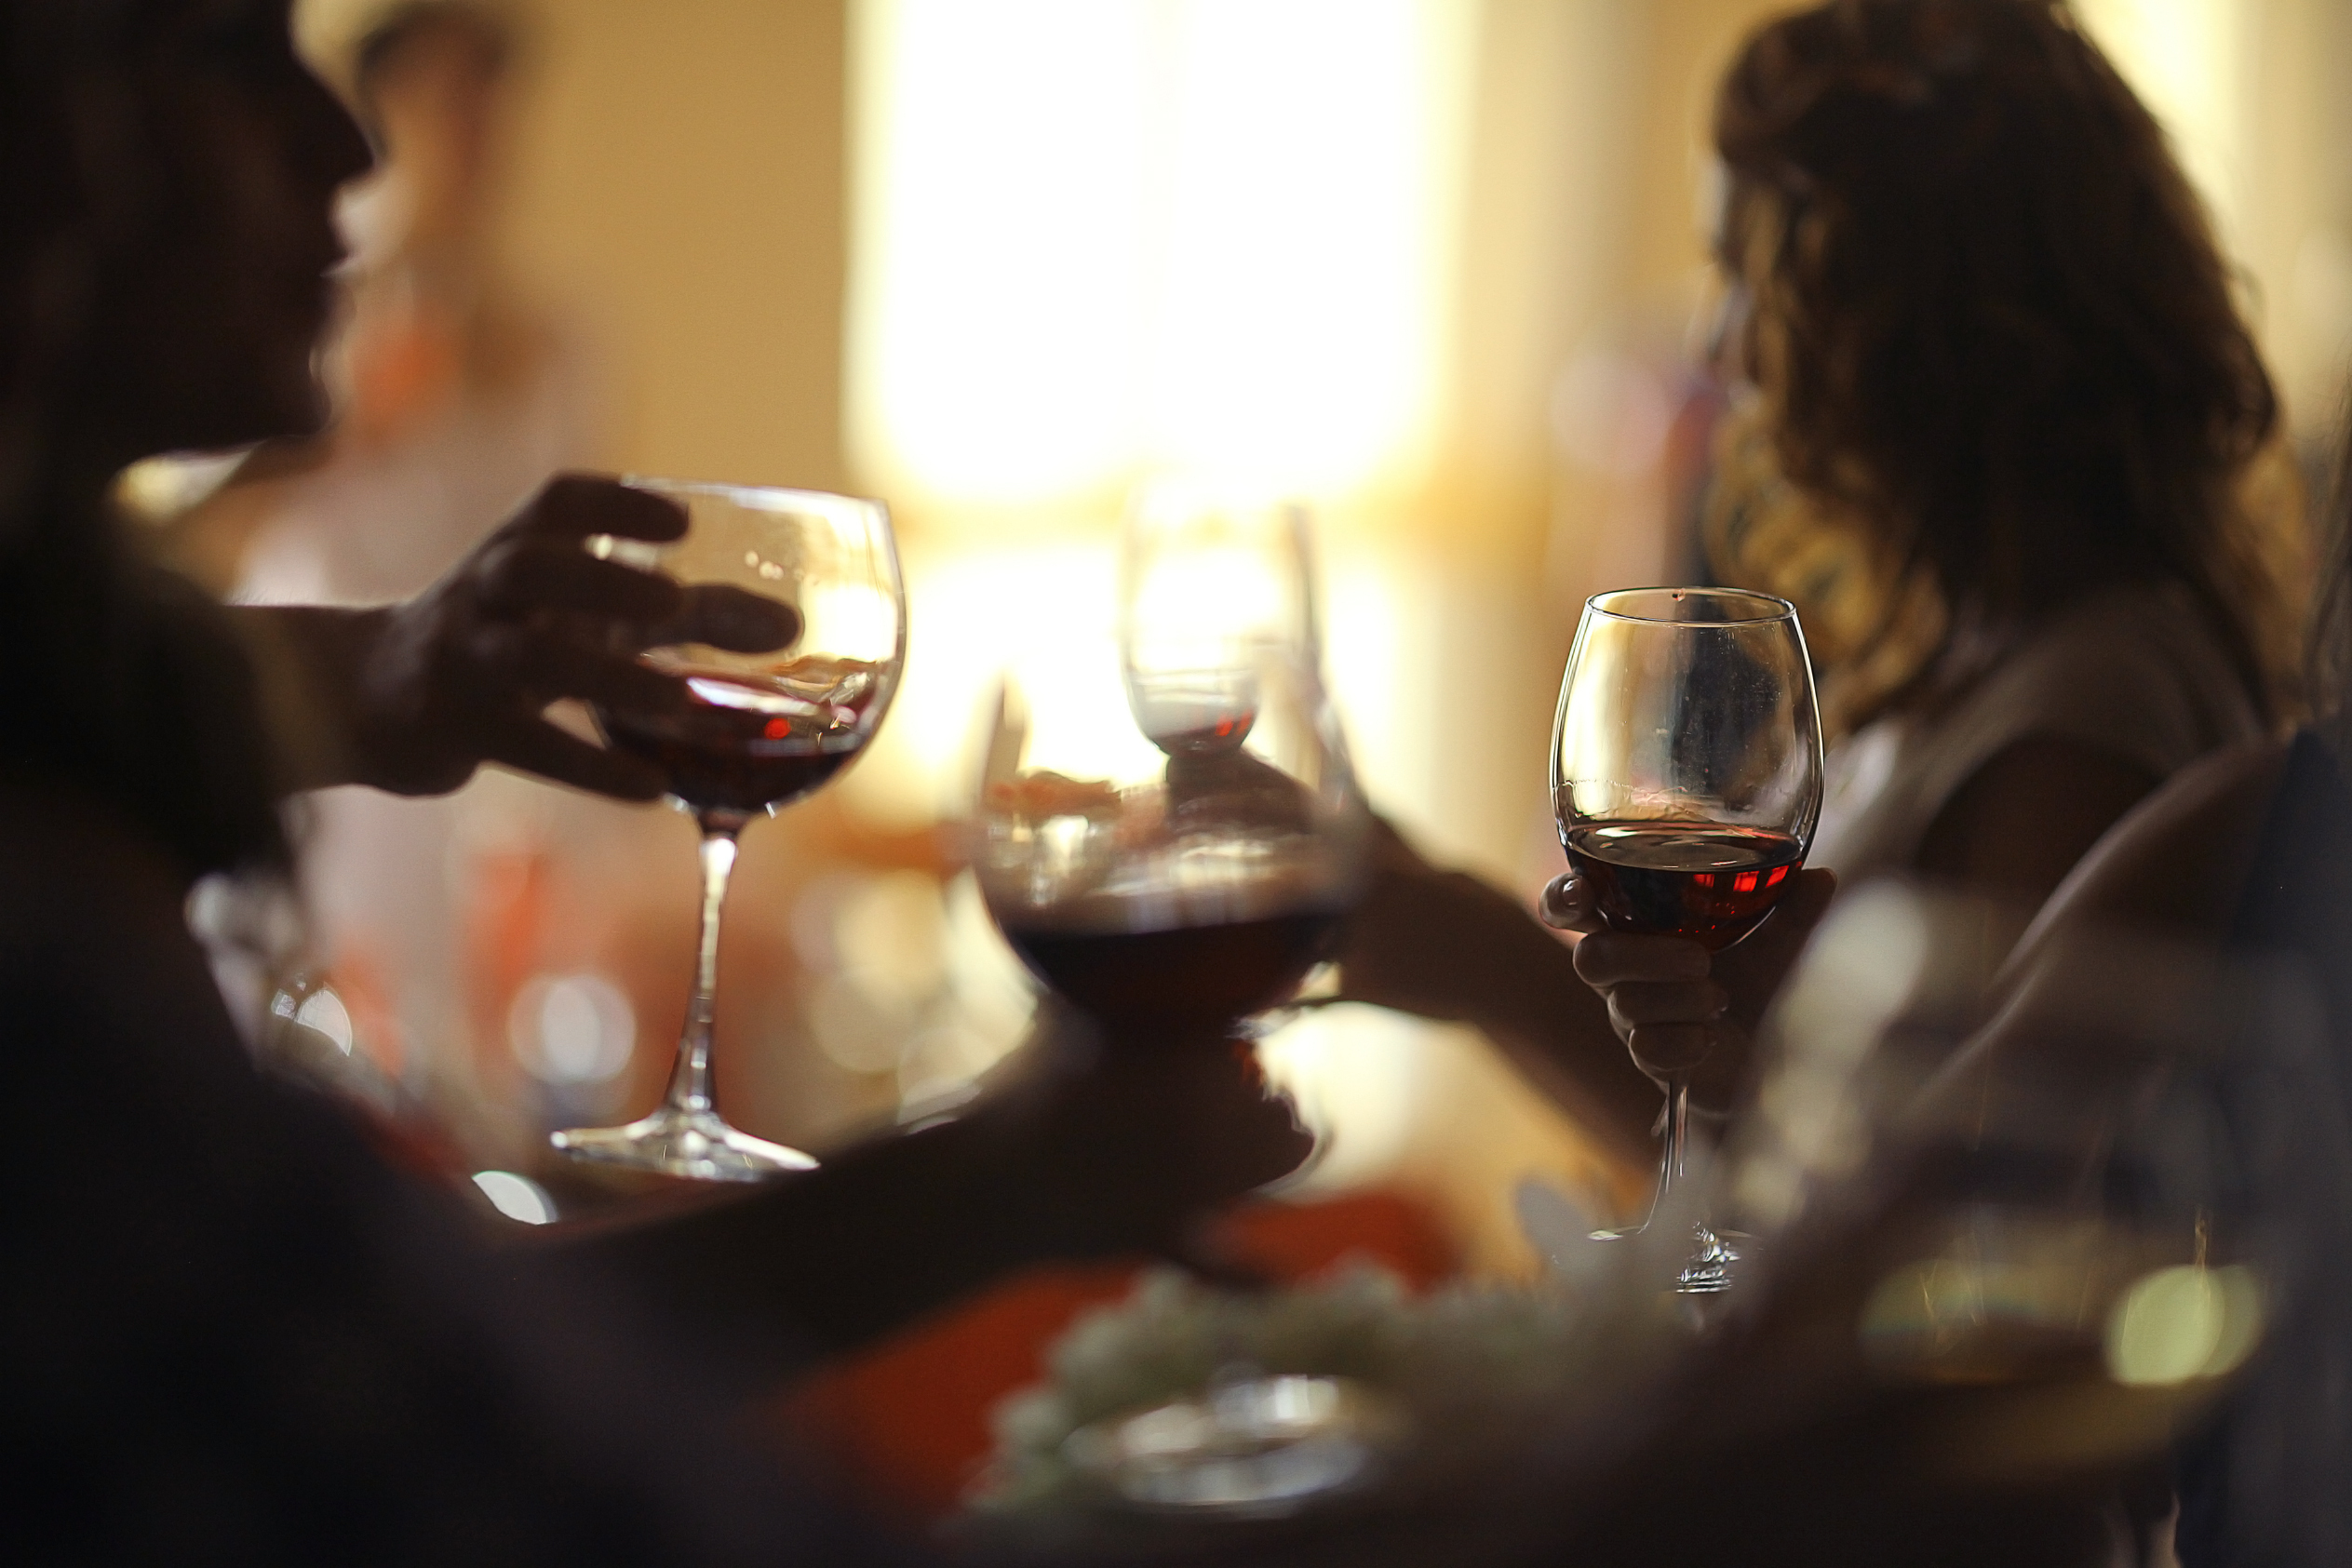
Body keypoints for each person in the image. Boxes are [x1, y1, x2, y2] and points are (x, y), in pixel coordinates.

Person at [0, 4, 1305, 1561]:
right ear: (53, 136)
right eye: (218, 52)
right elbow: (439, 1425)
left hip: (483, 817)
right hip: (386, 866)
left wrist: (373, 677)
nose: (346, 144)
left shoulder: (108, 760)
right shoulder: (51, 971)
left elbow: (399, 1343)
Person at [1339, 0, 2295, 1159]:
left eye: (1745, 272)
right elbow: (1813, 1126)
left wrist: (1490, 969)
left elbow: (1928, 1246)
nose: (1719, 345)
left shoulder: (2088, 721)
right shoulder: (1987, 643)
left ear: (1902, 312)